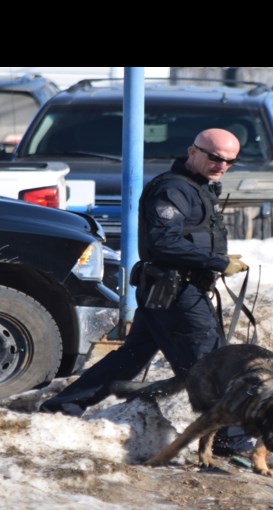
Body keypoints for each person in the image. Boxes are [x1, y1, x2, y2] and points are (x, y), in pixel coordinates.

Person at [40, 128, 249, 422]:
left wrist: (218, 259)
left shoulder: (199, 186)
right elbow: (164, 242)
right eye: (215, 157)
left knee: (128, 360)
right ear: (193, 151)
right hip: (176, 292)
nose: (222, 165)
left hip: (172, 290)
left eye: (230, 161)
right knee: (209, 365)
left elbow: (191, 237)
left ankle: (62, 407)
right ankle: (231, 440)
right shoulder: (172, 189)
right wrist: (217, 261)